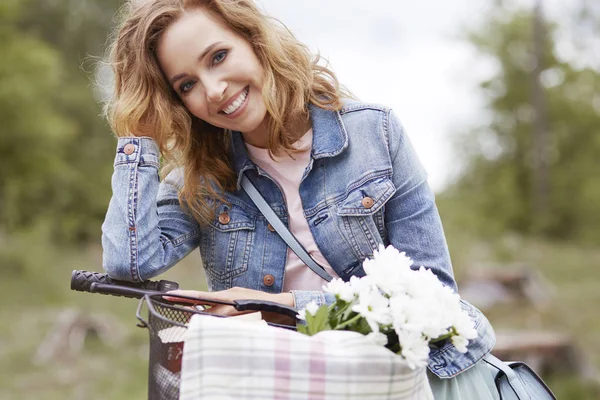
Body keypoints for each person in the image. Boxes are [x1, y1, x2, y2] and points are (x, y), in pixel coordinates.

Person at [100, 0, 498, 398]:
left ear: (254, 39)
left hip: (383, 386)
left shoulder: (375, 135)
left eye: (219, 57)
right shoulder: (200, 179)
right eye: (187, 85)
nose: (214, 89)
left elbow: (435, 298)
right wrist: (139, 138)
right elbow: (128, 262)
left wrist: (278, 304)